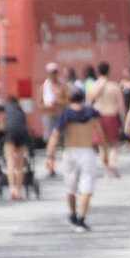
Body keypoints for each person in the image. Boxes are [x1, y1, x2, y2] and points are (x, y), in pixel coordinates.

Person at [47, 86, 105, 232]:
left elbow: (55, 135)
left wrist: (49, 155)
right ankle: (81, 218)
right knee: (87, 186)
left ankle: (73, 214)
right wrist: (105, 152)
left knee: (70, 186)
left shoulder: (66, 113)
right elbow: (100, 134)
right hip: (87, 152)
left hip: (70, 152)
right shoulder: (90, 113)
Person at [87, 61, 127, 178]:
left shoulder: (93, 87)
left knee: (101, 145)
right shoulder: (114, 87)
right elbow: (121, 106)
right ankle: (112, 162)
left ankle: (106, 171)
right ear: (109, 71)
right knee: (113, 143)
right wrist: (124, 121)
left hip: (97, 117)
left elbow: (89, 104)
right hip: (111, 115)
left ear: (98, 72)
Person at [1, 96, 30, 200]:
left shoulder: (6, 107)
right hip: (22, 133)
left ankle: (12, 189)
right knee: (20, 164)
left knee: (10, 162)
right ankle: (18, 191)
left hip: (10, 133)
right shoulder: (20, 110)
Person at [37, 63, 63, 172]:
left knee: (61, 141)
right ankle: (51, 164)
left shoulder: (61, 86)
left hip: (59, 115)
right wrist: (46, 106)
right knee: (50, 140)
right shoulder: (43, 87)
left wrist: (58, 102)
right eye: (51, 73)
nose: (53, 74)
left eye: (55, 72)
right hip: (48, 116)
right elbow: (39, 104)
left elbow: (67, 101)